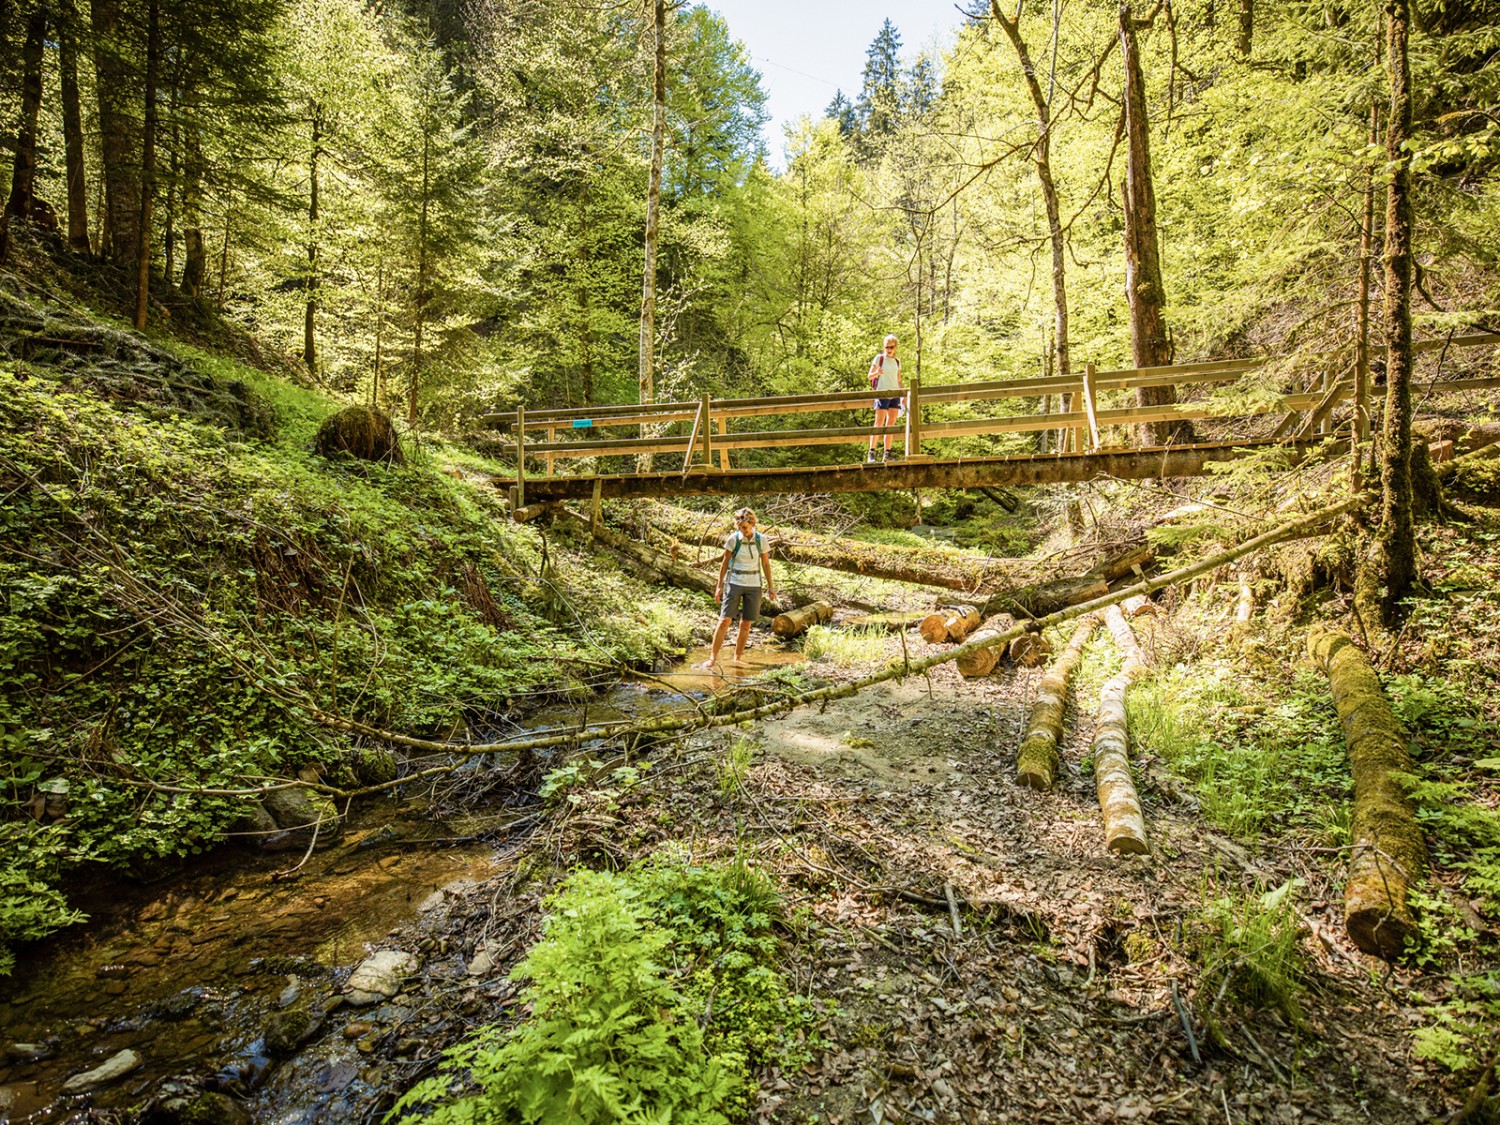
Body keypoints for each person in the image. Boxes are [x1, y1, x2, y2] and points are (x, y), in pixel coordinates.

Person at [699, 507, 776, 670]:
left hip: (754, 584)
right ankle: (712, 658)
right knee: (724, 621)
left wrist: (771, 587)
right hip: (734, 582)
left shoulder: (761, 540)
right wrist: (719, 586)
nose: (742, 530)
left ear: (752, 523)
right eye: (739, 527)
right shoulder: (733, 539)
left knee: (746, 624)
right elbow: (724, 563)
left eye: (745, 527)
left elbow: (766, 564)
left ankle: (737, 658)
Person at [868, 334, 905, 463]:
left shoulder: (897, 361)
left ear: (895, 347)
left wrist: (904, 395)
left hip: (895, 395)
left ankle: (887, 454)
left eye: (891, 347)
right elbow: (869, 376)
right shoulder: (879, 358)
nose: (889, 349)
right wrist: (877, 373)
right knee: (878, 424)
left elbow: (899, 380)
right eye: (886, 346)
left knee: (891, 425)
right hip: (882, 394)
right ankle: (872, 453)